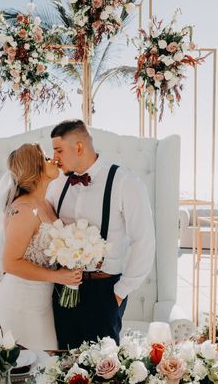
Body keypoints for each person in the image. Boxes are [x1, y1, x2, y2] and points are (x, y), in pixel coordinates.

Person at [47, 120, 156, 349]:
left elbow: (143, 240)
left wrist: (119, 293)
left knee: (103, 374)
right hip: (63, 288)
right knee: (63, 365)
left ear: (78, 147)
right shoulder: (58, 184)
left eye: (59, 150)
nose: (55, 158)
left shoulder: (125, 182)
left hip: (104, 292)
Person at [0, 143, 82, 350]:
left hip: (40, 301)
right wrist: (58, 277)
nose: (53, 160)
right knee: (34, 367)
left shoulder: (45, 204)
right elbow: (10, 263)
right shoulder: (24, 210)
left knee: (44, 365)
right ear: (35, 167)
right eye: (46, 158)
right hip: (18, 302)